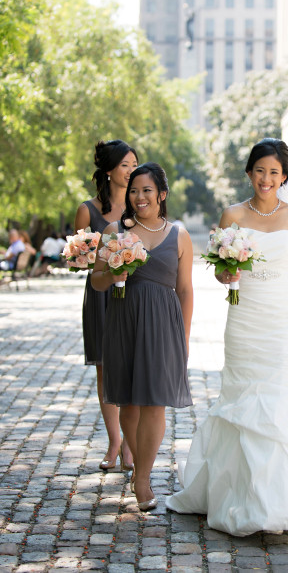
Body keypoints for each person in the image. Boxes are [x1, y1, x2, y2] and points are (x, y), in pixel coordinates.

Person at [167, 138, 288, 535]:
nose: (266, 178)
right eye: (260, 170)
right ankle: (235, 491)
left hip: (280, 320)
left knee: (277, 402)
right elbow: (219, 270)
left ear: (284, 176)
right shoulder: (231, 214)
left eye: (274, 172)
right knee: (239, 398)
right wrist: (228, 275)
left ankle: (281, 496)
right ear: (249, 173)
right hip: (243, 318)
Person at [90, 162, 194, 512]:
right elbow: (97, 281)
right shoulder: (113, 230)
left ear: (161, 194)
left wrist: (185, 338)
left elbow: (185, 290)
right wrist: (115, 268)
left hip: (164, 325)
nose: (139, 197)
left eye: (147, 190)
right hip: (123, 320)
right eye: (134, 190)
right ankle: (134, 461)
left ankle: (144, 477)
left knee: (155, 403)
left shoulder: (179, 235)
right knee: (128, 404)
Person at [75, 140, 137, 473]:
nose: (130, 171)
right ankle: (114, 440)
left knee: (128, 368)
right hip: (100, 297)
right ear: (110, 170)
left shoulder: (139, 206)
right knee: (105, 371)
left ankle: (130, 443)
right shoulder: (87, 210)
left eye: (134, 164)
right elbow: (81, 260)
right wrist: (89, 258)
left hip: (131, 297)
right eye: (125, 165)